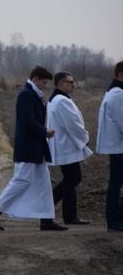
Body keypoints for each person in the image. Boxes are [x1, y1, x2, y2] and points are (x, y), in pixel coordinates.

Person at [0, 66, 68, 231]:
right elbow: (28, 121)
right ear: (35, 79)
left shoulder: (32, 94)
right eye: (44, 82)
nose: (45, 86)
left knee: (43, 183)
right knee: (21, 180)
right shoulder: (26, 95)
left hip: (35, 147)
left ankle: (46, 219)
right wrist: (44, 131)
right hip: (28, 147)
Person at [47, 71, 92, 225]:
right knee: (73, 178)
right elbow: (72, 124)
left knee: (71, 178)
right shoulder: (62, 101)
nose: (73, 85)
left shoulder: (56, 99)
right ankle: (69, 215)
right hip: (66, 145)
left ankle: (50, 206)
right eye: (70, 82)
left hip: (64, 144)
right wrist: (84, 138)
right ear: (61, 84)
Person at [97, 61, 123, 232]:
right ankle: (114, 220)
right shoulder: (118, 95)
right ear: (121, 74)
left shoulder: (113, 92)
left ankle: (116, 218)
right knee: (116, 182)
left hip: (117, 146)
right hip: (119, 147)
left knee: (116, 181)